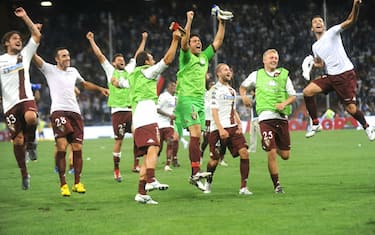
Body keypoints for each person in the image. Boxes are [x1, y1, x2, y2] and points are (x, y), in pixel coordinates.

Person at [113, 29, 182, 204]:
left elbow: (120, 83)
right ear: (146, 62)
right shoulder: (147, 71)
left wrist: (115, 83)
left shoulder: (133, 76)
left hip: (139, 118)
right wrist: (175, 41)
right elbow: (168, 60)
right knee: (153, 149)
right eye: (151, 58)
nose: (153, 61)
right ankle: (150, 180)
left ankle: (141, 193)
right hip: (146, 117)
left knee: (149, 154)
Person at [33, 47, 109, 197]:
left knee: (77, 147)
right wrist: (31, 42)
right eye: (63, 56)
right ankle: (63, 184)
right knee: (62, 147)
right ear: (57, 59)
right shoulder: (49, 70)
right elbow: (35, 57)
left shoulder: (73, 71)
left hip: (75, 113)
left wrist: (100, 89)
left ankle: (77, 183)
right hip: (59, 111)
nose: (67, 58)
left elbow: (84, 84)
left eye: (68, 55)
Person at [174, 9, 231, 191]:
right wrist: (188, 20)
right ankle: (195, 171)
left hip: (199, 101)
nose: (198, 43)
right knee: (196, 134)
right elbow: (183, 42)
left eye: (199, 41)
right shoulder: (185, 57)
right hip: (186, 98)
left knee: (198, 137)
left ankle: (194, 173)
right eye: (194, 41)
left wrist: (222, 22)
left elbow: (218, 42)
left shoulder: (204, 58)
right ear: (189, 45)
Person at [303, 0, 375, 140]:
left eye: (320, 21)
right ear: (312, 28)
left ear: (324, 25)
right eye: (315, 22)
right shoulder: (315, 47)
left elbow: (351, 20)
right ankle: (316, 124)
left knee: (351, 109)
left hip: (345, 75)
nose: (318, 23)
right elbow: (320, 63)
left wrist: (355, 6)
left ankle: (367, 126)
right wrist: (311, 63)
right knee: (307, 92)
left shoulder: (332, 32)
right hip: (331, 76)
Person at [86, 31, 148, 181]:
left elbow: (138, 54)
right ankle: (116, 170)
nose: (122, 61)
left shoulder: (129, 70)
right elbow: (100, 56)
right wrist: (92, 40)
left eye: (122, 60)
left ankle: (136, 164)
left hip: (131, 109)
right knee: (118, 141)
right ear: (114, 63)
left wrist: (144, 39)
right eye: (119, 60)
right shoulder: (110, 71)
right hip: (118, 111)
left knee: (138, 136)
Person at [240, 49, 296, 193]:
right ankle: (277, 185)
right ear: (264, 60)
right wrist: (244, 97)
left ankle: (269, 143)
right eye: (271, 57)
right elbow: (243, 87)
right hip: (265, 118)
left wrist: (284, 104)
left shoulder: (284, 74)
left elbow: (293, 96)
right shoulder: (256, 75)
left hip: (282, 117)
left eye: (276, 58)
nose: (274, 60)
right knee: (271, 152)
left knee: (285, 155)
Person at [0, 7, 41, 190]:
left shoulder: (24, 55)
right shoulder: (1, 61)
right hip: (9, 105)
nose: (19, 40)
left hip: (25, 99)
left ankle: (31, 142)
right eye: (15, 38)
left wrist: (25, 16)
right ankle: (24, 174)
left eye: (19, 39)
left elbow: (36, 35)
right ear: (6, 43)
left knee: (31, 118)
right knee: (17, 141)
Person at [204, 63, 251, 195]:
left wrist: (239, 123)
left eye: (229, 69)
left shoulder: (232, 91)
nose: (228, 71)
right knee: (214, 160)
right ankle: (208, 182)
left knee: (244, 153)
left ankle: (243, 187)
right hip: (218, 129)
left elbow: (233, 109)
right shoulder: (214, 90)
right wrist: (220, 129)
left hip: (232, 128)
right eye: (225, 70)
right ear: (218, 73)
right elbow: (214, 111)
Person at [156, 80, 180, 171]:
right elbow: (157, 109)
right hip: (159, 123)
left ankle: (168, 164)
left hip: (169, 125)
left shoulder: (175, 98)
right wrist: (169, 115)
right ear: (169, 87)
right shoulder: (163, 96)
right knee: (159, 145)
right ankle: (155, 158)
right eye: (173, 86)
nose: (175, 88)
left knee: (171, 141)